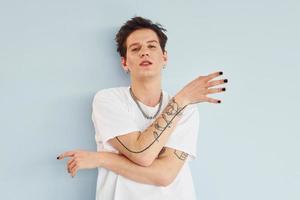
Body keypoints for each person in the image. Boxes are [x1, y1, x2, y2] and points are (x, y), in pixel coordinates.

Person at [57, 16, 228, 200]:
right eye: (135, 48)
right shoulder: (108, 100)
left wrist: (101, 159)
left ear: (165, 57)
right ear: (124, 63)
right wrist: (182, 99)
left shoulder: (186, 107)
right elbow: (142, 154)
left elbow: (164, 175)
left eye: (152, 46)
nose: (144, 52)